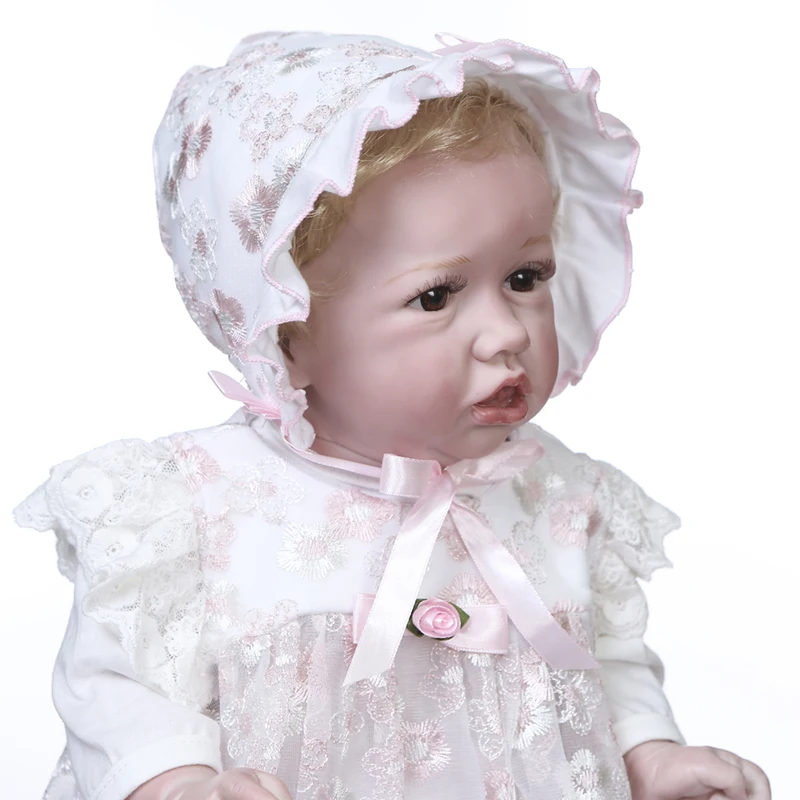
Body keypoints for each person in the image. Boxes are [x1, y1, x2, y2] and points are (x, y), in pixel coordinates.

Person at [13, 30, 770, 800]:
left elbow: (604, 659)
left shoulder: (557, 494)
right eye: (435, 296)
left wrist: (647, 752)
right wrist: (177, 784)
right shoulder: (198, 510)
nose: (506, 333)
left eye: (524, 276)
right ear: (286, 335)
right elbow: (123, 691)